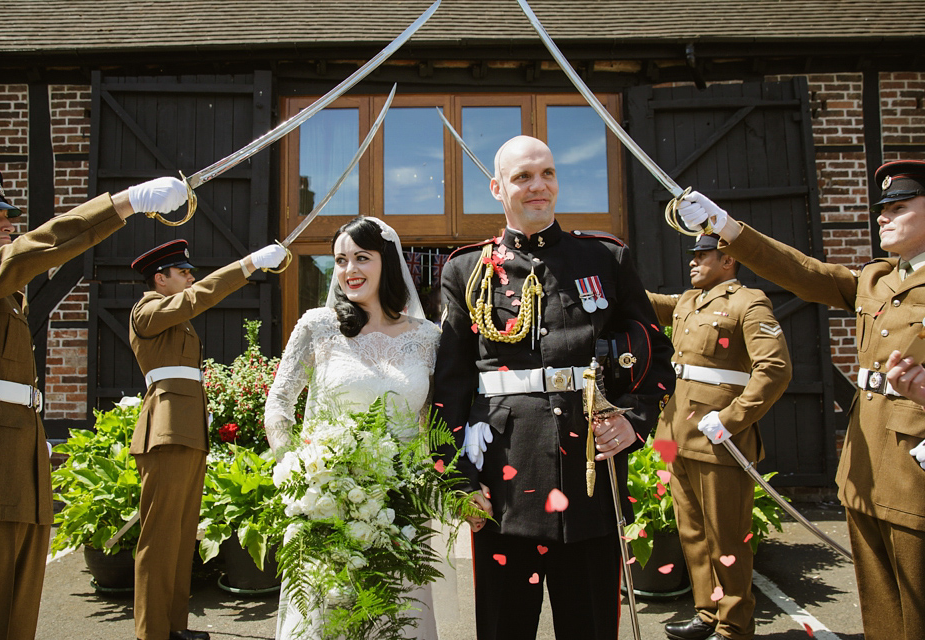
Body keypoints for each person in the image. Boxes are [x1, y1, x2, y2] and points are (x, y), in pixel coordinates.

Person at [432, 135, 675, 640]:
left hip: (590, 477)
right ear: (498, 188)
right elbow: (449, 384)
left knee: (589, 627)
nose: (538, 186)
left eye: (547, 174)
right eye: (523, 177)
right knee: (504, 628)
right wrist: (456, 476)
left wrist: (636, 420)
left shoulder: (606, 259)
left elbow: (655, 351)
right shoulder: (465, 270)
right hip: (502, 485)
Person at [676, 160, 925, 640]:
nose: (882, 217)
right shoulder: (876, 280)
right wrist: (724, 226)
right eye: (881, 209)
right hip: (866, 467)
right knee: (882, 614)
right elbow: (798, 270)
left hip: (915, 473)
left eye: (898, 207)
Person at [0, 163, 188, 640]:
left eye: (8, 214)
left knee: (16, 612)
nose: (8, 223)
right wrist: (124, 203)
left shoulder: (0, 295)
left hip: (16, 466)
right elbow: (36, 248)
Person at [264, 216, 441, 640]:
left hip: (400, 510)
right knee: (328, 620)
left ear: (389, 263)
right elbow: (279, 403)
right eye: (340, 260)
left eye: (362, 257)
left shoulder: (428, 338)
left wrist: (423, 480)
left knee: (395, 622)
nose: (349, 270)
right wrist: (300, 475)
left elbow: (431, 422)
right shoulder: (318, 326)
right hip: (327, 506)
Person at [129, 238, 288, 640]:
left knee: (181, 537)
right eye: (182, 273)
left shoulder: (174, 317)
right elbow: (198, 297)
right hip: (164, 433)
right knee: (159, 538)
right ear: (160, 278)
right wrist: (248, 264)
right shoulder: (146, 310)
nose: (190, 278)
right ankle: (151, 634)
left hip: (185, 431)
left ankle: (173, 627)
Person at [648, 234, 792, 640]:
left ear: (728, 259)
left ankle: (733, 626)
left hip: (718, 439)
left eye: (702, 255)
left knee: (726, 535)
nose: (692, 262)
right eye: (692, 255)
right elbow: (643, 301)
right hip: (676, 435)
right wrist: (608, 273)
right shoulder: (689, 302)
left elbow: (775, 369)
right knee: (692, 533)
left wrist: (731, 418)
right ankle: (707, 612)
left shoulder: (749, 302)